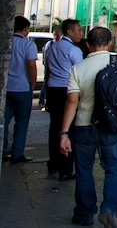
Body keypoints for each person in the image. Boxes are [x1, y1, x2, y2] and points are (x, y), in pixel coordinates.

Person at [59, 26, 117, 227]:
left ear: (87, 45)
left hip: (83, 126)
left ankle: (84, 213)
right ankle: (109, 208)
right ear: (109, 44)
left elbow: (72, 102)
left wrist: (64, 133)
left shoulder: (77, 68)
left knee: (83, 169)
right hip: (111, 125)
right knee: (114, 167)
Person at [46, 18, 85, 179]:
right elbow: (81, 72)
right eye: (78, 30)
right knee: (68, 128)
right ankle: (66, 169)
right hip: (68, 90)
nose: (81, 34)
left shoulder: (52, 47)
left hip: (52, 89)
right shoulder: (73, 50)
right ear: (69, 32)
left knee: (55, 126)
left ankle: (53, 163)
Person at [3, 16, 38, 164]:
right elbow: (31, 65)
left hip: (7, 87)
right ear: (25, 29)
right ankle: (17, 153)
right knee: (22, 121)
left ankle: (2, 150)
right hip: (22, 87)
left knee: (4, 121)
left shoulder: (6, 43)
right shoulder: (28, 45)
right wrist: (33, 82)